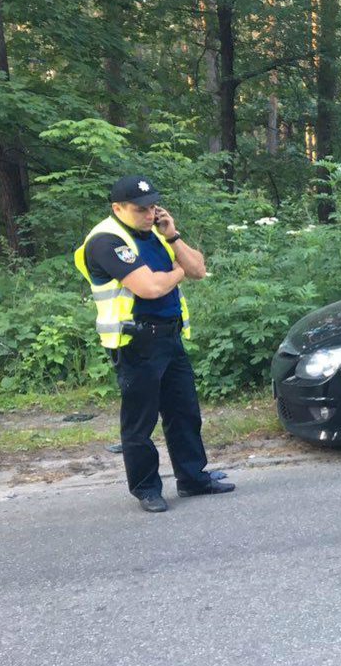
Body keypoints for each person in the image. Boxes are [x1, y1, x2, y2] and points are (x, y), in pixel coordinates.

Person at [74, 175, 234, 512]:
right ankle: (146, 488)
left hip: (170, 337)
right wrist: (178, 272)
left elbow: (199, 269)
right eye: (140, 209)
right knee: (140, 421)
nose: (149, 214)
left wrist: (172, 235)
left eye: (152, 207)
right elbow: (150, 288)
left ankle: (193, 478)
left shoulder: (158, 235)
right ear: (117, 208)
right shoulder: (106, 240)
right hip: (135, 342)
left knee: (184, 412)